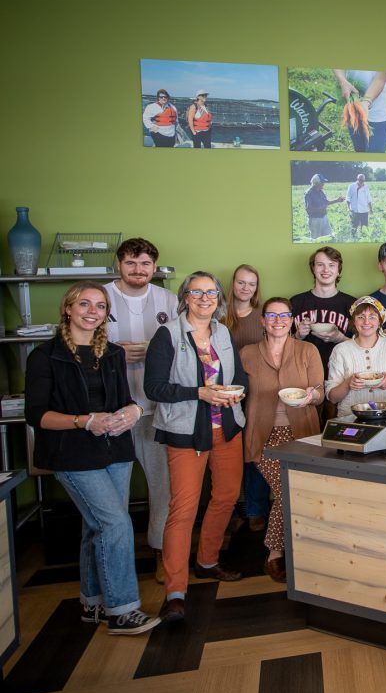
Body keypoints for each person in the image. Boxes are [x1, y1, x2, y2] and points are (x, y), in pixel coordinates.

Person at [26, 282, 160, 635]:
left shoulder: (112, 353)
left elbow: (125, 398)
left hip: (115, 448)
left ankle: (92, 603)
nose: (92, 311)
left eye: (99, 306)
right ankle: (122, 610)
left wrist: (132, 411)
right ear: (68, 308)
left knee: (96, 526)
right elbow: (36, 414)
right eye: (84, 304)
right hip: (71, 453)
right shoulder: (45, 356)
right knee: (116, 524)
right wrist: (83, 420)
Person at [145, 272, 248, 624]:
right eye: (197, 292)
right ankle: (175, 592)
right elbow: (154, 388)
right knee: (183, 509)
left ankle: (207, 561)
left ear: (219, 298)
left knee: (226, 496)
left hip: (227, 429)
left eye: (211, 292)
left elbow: (240, 375)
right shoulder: (167, 335)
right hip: (186, 433)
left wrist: (238, 391)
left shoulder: (222, 332)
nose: (205, 298)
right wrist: (198, 393)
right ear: (185, 296)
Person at [103, 237, 178, 585]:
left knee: (162, 487)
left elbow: (181, 346)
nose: (138, 270)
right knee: (111, 493)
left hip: (154, 408)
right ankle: (116, 563)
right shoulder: (100, 297)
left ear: (154, 267)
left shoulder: (167, 300)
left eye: (145, 264)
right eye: (131, 263)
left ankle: (162, 556)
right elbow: (81, 341)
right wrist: (113, 351)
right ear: (119, 265)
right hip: (111, 411)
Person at [240, 297, 324, 583]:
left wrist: (311, 396)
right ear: (263, 321)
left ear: (292, 320)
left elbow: (319, 391)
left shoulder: (307, 349)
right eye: (271, 316)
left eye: (284, 315)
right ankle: (275, 551)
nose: (278, 321)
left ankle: (300, 550)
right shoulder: (248, 354)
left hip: (303, 433)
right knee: (288, 488)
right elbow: (240, 393)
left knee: (300, 490)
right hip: (264, 435)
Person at [221, 264, 268, 532]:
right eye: (241, 282)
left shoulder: (263, 317)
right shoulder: (218, 317)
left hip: (253, 394)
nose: (245, 288)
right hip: (221, 394)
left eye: (251, 283)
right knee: (224, 454)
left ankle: (254, 508)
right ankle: (226, 509)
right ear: (233, 284)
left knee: (253, 452)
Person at [326, 296, 386, 417]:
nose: (366, 322)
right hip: (349, 418)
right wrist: (347, 384)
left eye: (372, 317)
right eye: (361, 317)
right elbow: (332, 398)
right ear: (354, 321)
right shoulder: (340, 350)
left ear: (380, 321)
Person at [291, 246, 355, 375]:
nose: (326, 270)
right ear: (313, 269)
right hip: (302, 373)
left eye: (331, 265)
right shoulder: (295, 302)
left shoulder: (353, 304)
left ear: (338, 270)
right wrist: (298, 336)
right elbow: (280, 345)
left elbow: (365, 346)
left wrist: (340, 338)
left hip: (343, 373)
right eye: (320, 265)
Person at [334, 69, 386, 153]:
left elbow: (380, 79)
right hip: (353, 108)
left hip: (379, 113)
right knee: (359, 150)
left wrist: (366, 101)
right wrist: (342, 80)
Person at [304, 174, 342, 240]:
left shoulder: (321, 191)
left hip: (324, 218)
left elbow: (326, 202)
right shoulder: (309, 193)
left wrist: (337, 200)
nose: (324, 184)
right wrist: (320, 209)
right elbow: (308, 209)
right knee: (316, 240)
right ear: (317, 183)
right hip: (315, 220)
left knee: (329, 238)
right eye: (322, 182)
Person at [346, 173, 372, 238]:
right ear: (357, 179)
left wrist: (371, 209)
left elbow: (368, 198)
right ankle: (353, 239)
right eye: (360, 180)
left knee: (364, 227)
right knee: (354, 226)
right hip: (355, 210)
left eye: (363, 180)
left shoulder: (366, 187)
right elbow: (348, 198)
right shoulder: (351, 186)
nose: (361, 182)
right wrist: (349, 208)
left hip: (364, 210)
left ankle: (363, 239)